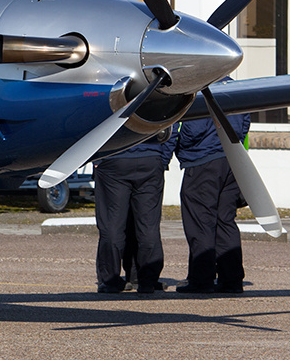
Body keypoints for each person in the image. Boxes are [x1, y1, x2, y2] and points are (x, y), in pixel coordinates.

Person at [173, 106, 254, 295]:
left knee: (200, 222)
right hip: (232, 160)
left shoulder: (203, 88)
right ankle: (231, 279)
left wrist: (181, 147)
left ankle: (202, 279)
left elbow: (193, 130)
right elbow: (244, 125)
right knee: (225, 220)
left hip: (203, 160)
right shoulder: (237, 90)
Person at [91, 127, 174, 295]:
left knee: (112, 224)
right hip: (150, 158)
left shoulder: (107, 99)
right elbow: (173, 127)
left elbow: (90, 124)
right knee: (148, 225)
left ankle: (111, 280)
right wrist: (161, 157)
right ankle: (147, 280)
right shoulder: (156, 100)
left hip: (114, 158)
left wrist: (95, 158)